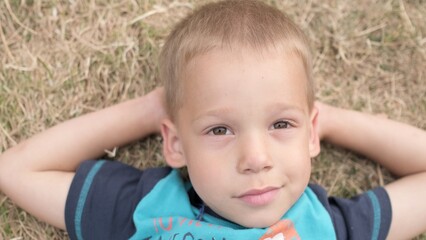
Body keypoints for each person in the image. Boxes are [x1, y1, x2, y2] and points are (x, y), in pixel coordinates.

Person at [0, 0, 425, 239]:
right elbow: (16, 170)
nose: (256, 159)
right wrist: (148, 110)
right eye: (219, 129)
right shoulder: (148, 208)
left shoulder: (328, 227)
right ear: (176, 144)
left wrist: (329, 120)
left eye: (281, 125)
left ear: (309, 133)